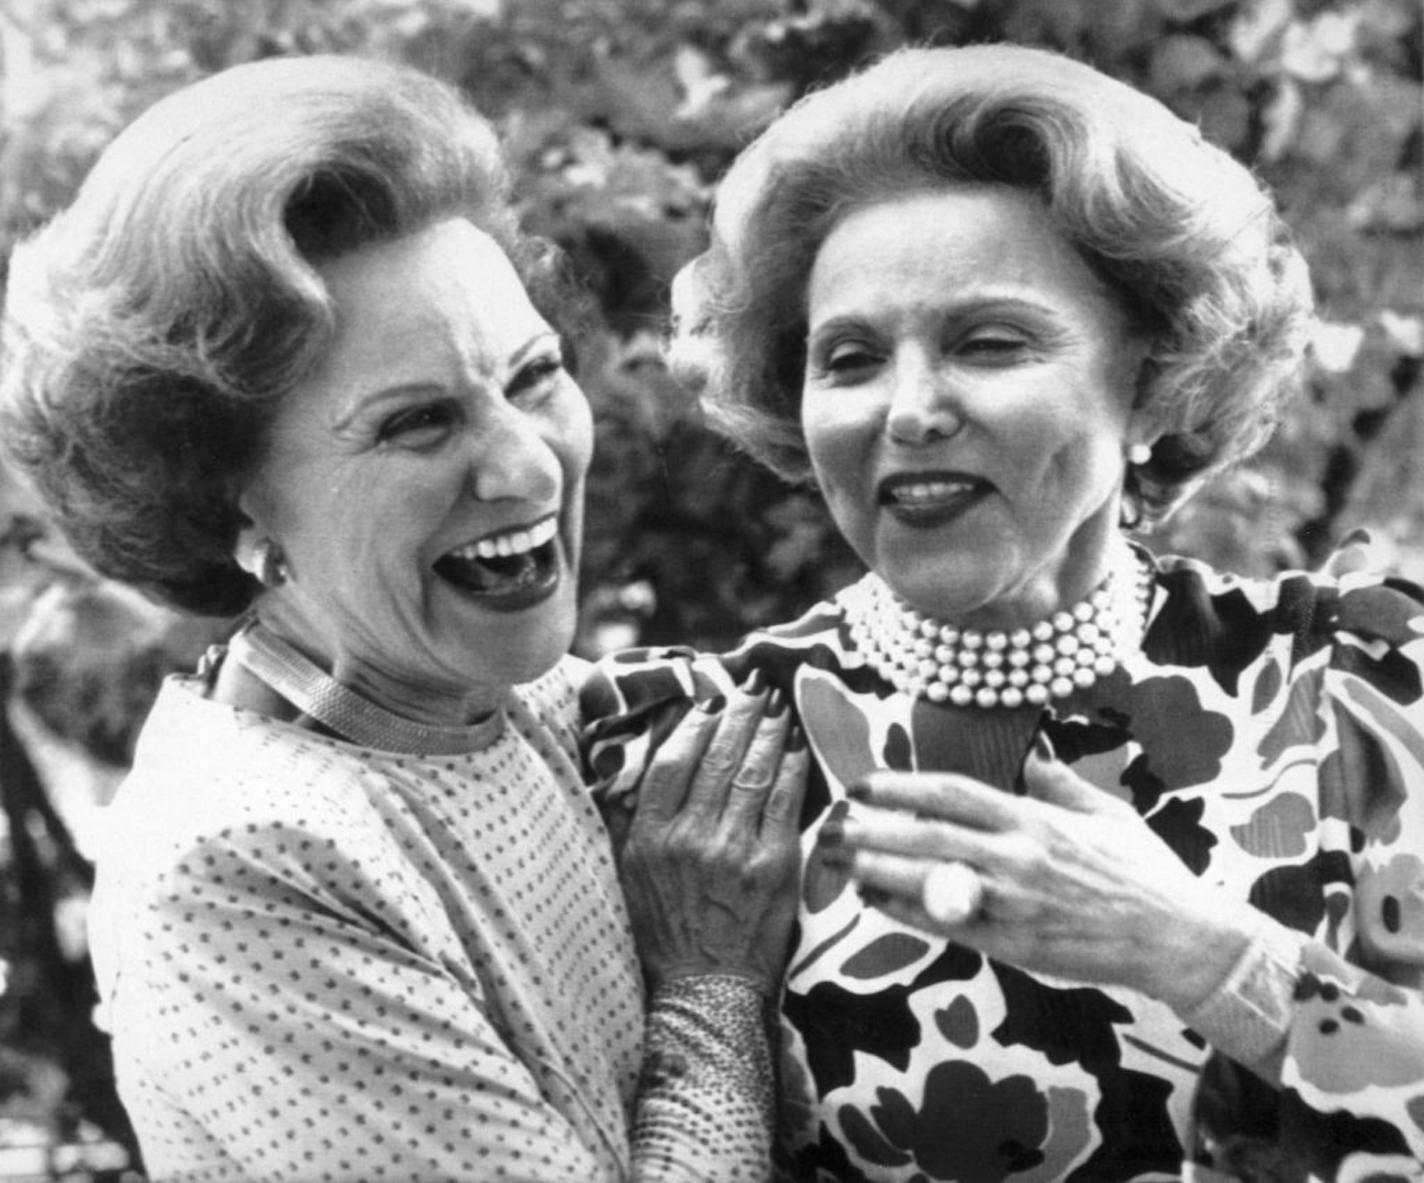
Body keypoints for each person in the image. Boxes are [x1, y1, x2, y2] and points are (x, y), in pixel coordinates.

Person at [582, 43, 1424, 1181]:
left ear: (1154, 380)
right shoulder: (683, 756)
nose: (910, 409)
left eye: (989, 342)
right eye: (849, 358)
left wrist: (1203, 955)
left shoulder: (1367, 689)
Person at [0, 54, 808, 1181]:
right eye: (417, 423)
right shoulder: (246, 870)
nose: (527, 465)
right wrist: (713, 985)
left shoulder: (478, 699)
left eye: (532, 376)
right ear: (228, 504)